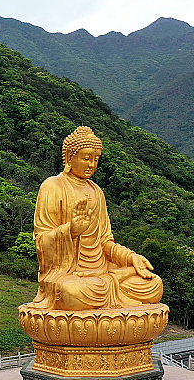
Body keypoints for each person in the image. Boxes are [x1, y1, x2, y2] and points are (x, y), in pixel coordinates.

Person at [29, 126, 163, 311]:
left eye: (96, 159)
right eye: (86, 158)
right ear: (69, 157)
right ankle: (113, 284)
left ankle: (114, 281)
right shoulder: (52, 186)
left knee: (154, 284)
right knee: (70, 292)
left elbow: (105, 242)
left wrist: (130, 258)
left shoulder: (96, 191)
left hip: (102, 270)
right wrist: (71, 230)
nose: (91, 164)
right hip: (71, 276)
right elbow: (41, 241)